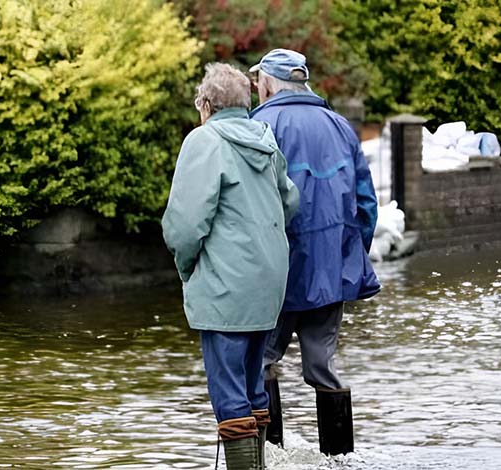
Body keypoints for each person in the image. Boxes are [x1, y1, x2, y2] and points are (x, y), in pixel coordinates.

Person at [162, 63, 299, 470]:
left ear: (206, 104)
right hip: (269, 280)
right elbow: (290, 202)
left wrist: (188, 270)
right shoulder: (266, 139)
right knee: (253, 384)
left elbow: (184, 226)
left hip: (226, 284)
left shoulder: (204, 140)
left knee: (229, 394)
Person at [248, 49, 381, 455]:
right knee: (322, 365)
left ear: (268, 83)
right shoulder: (341, 125)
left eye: (257, 83)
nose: (255, 89)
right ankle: (340, 459)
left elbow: (251, 203)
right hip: (331, 268)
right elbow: (366, 203)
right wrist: (349, 257)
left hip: (279, 271)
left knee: (262, 361)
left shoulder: (260, 125)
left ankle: (268, 456)